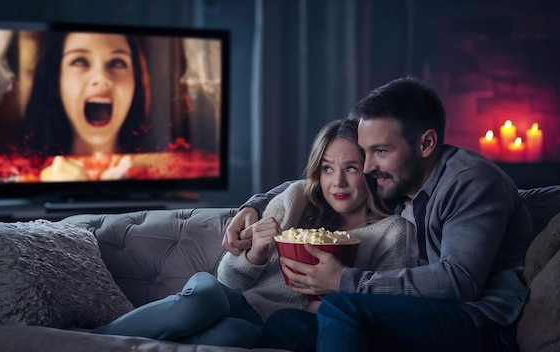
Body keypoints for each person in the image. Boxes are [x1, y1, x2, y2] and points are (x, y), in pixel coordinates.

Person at [226, 77, 535, 351]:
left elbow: (460, 281)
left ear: (426, 143)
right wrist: (254, 205)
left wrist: (345, 282)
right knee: (286, 324)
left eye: (381, 151)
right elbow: (317, 183)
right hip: (414, 316)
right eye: (366, 152)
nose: (369, 165)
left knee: (341, 308)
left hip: (479, 324)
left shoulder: (470, 181)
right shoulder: (402, 180)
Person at [90, 118, 408, 348]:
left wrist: (329, 298)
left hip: (268, 326)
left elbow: (383, 307)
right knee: (205, 297)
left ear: (369, 171)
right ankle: (87, 340)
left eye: (350, 168)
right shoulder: (297, 199)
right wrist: (255, 254)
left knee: (234, 338)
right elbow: (229, 282)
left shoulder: (391, 233)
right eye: (327, 168)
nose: (336, 182)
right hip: (231, 299)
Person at [22, 31, 150, 157]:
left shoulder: (156, 170)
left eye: (117, 63)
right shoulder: (22, 175)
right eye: (80, 61)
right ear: (56, 80)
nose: (101, 78)